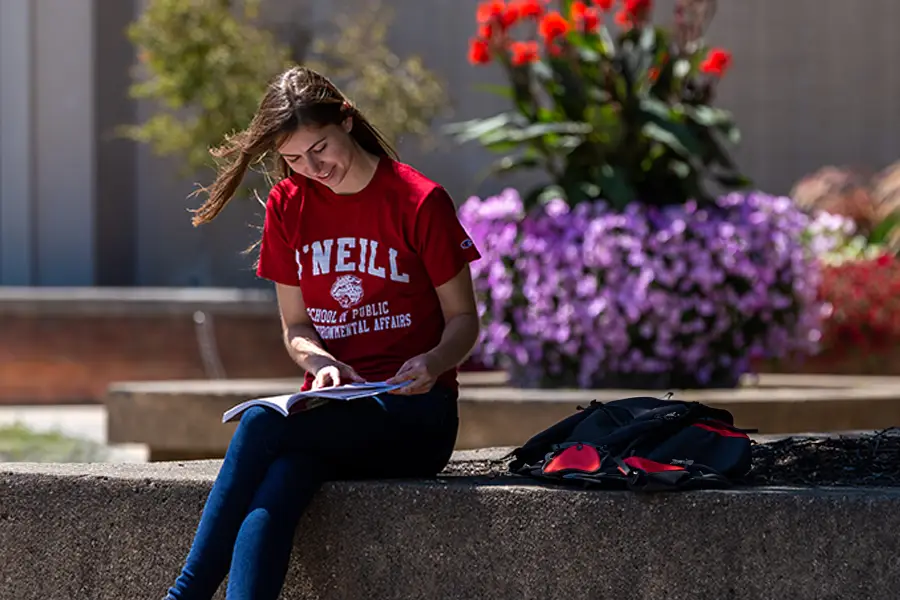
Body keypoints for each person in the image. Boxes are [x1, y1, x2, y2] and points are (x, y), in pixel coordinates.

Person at [163, 66, 482, 600]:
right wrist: (318, 362)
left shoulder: (418, 201)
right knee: (283, 476)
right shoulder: (289, 205)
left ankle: (184, 595)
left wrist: (433, 361)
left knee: (262, 424)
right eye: (292, 159)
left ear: (347, 121)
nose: (313, 169)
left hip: (415, 417)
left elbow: (465, 320)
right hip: (334, 409)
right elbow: (296, 327)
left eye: (321, 149)